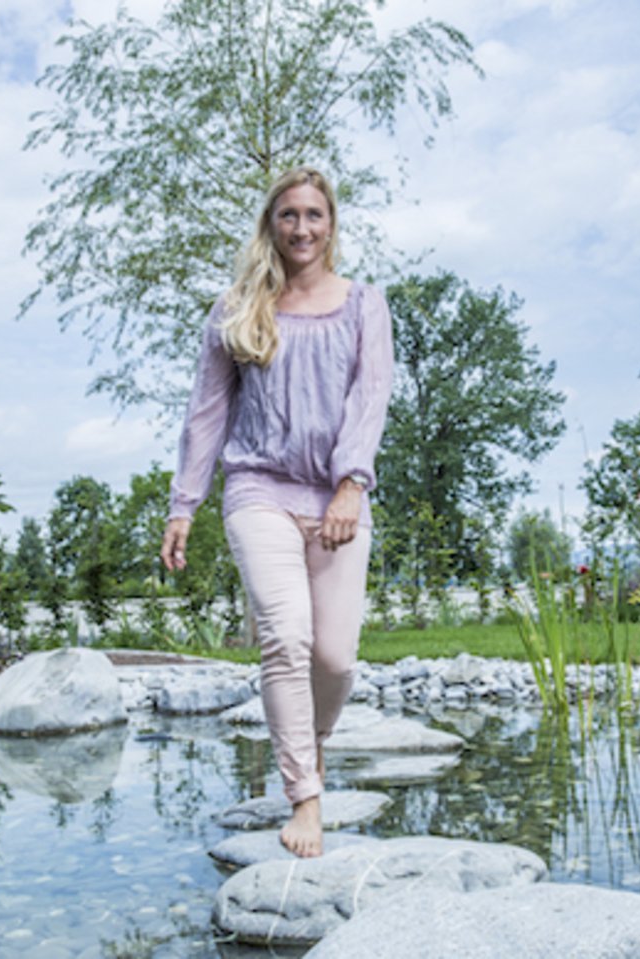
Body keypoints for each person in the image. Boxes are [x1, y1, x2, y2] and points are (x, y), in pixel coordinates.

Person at [159, 166, 394, 858]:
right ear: (271, 224)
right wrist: (183, 506)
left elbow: (370, 396)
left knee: (335, 656)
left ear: (331, 224)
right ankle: (305, 796)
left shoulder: (363, 304)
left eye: (314, 215)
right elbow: (206, 412)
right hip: (258, 488)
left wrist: (352, 482)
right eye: (288, 215)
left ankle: (309, 744)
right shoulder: (238, 306)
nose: (301, 228)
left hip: (336, 497)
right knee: (286, 638)